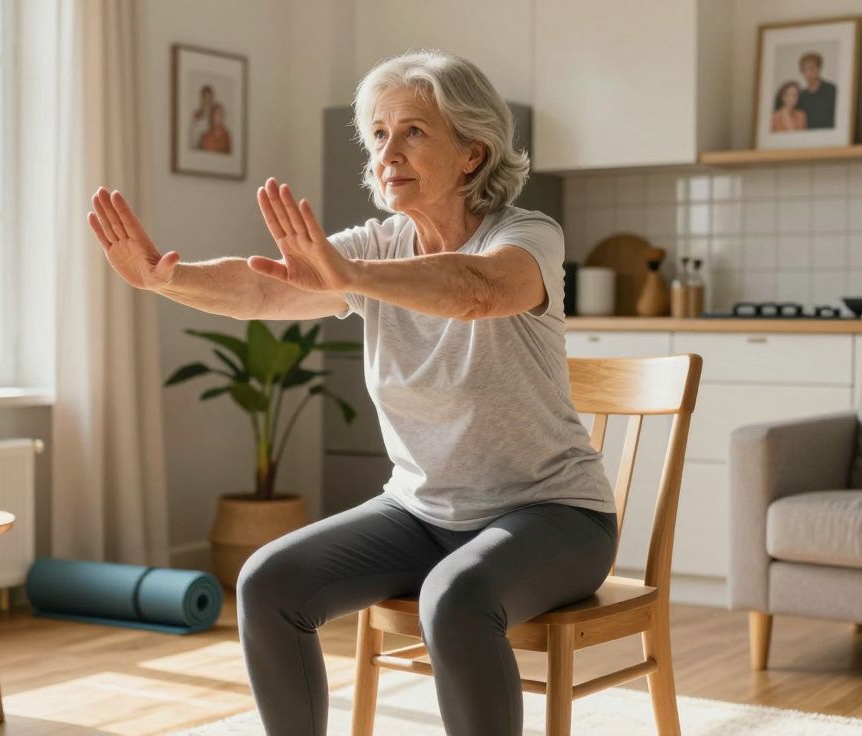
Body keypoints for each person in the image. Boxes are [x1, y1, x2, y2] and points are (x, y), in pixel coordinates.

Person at [86, 49, 617, 736]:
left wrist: (349, 275)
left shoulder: (526, 235)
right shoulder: (376, 246)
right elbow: (267, 285)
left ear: (472, 152)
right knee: (267, 582)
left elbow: (477, 291)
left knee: (455, 599)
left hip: (553, 515)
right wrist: (166, 278)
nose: (388, 152)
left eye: (414, 132)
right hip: (422, 513)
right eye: (378, 134)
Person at [795, 51, 837, 129]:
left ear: (819, 69)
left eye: (811, 68)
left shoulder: (832, 90)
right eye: (804, 69)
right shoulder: (801, 95)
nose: (808, 73)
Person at [189, 84, 215, 149]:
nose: (208, 101)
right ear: (202, 99)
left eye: (210, 98)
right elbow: (192, 137)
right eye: (206, 98)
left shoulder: (215, 115)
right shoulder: (196, 115)